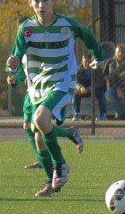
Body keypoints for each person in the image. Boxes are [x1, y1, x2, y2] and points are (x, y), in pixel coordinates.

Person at [6, 0, 105, 196]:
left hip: (62, 81)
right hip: (37, 87)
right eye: (37, 1)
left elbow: (88, 35)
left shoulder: (67, 25)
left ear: (53, 2)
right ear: (30, 3)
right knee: (38, 136)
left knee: (40, 120)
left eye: (45, 0)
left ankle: (61, 165)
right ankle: (51, 181)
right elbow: (16, 56)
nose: (41, 5)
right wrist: (12, 67)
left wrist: (100, 57)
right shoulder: (26, 29)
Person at [7, 54, 84, 195]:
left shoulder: (44, 43)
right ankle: (50, 174)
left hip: (46, 93)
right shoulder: (22, 46)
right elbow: (18, 71)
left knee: (38, 135)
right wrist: (14, 79)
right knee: (31, 129)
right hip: (31, 95)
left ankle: (51, 178)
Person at [72, 53, 107, 121]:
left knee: (101, 93)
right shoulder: (77, 69)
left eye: (88, 61)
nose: (87, 63)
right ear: (82, 61)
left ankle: (103, 114)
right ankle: (76, 113)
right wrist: (80, 88)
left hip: (94, 89)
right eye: (85, 61)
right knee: (75, 93)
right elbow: (75, 82)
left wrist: (90, 88)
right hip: (82, 90)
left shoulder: (97, 69)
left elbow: (100, 83)